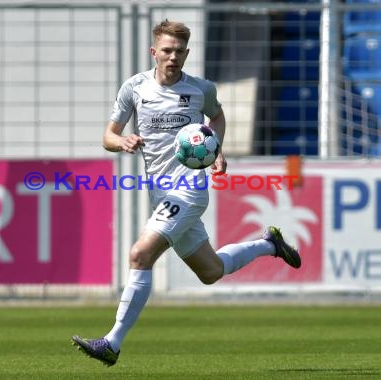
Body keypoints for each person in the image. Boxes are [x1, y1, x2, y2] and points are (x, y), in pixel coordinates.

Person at [72, 20, 300, 367]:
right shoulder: (135, 88)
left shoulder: (200, 89)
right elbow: (108, 135)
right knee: (211, 271)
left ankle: (112, 343)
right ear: (154, 52)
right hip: (159, 193)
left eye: (179, 51)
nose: (173, 56)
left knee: (139, 254)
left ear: (187, 53)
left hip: (189, 190)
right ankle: (270, 244)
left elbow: (218, 116)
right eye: (167, 50)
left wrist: (216, 150)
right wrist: (123, 141)